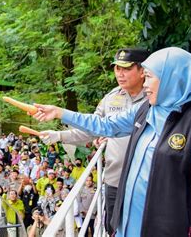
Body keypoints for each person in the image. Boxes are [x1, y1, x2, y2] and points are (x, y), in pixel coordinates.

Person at [31, 47, 191, 236]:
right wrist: (60, 113)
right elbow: (105, 125)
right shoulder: (145, 110)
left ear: (172, 80)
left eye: (150, 77)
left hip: (166, 228)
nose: (145, 84)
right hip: (128, 223)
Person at [40, 48, 149, 235]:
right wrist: (59, 136)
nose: (120, 74)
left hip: (147, 179)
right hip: (115, 178)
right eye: (116, 69)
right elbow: (93, 128)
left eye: (126, 68)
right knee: (114, 228)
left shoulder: (154, 97)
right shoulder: (110, 98)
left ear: (142, 70)